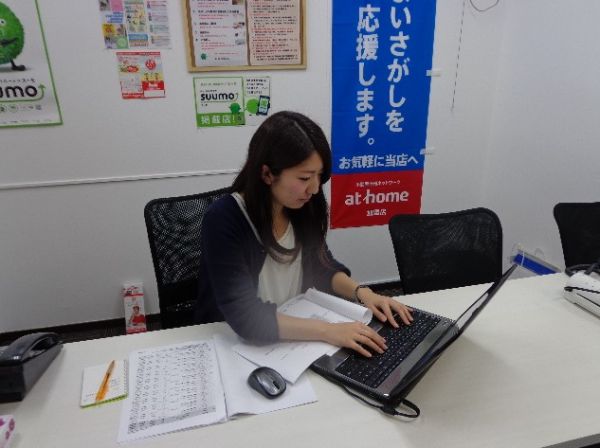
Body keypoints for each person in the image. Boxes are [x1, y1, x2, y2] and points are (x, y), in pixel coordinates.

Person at [195, 111, 413, 357]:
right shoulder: (225, 218)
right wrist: (328, 331)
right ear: (267, 174)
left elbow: (322, 265)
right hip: (233, 343)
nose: (315, 188)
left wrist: (363, 294)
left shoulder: (300, 206)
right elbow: (246, 317)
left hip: (291, 332)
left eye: (319, 176)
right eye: (305, 177)